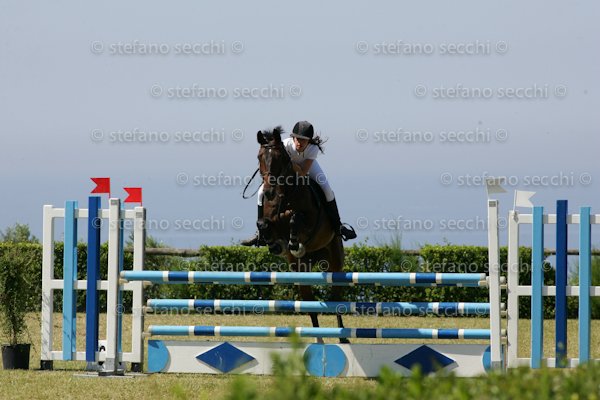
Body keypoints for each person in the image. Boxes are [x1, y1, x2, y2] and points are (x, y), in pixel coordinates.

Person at [241, 121, 357, 246]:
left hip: (306, 168)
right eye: (297, 139)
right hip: (288, 170)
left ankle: (338, 226)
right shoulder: (285, 145)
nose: (299, 143)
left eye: (303, 140)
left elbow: (302, 173)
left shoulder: (312, 149)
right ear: (293, 138)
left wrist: (291, 163)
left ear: (309, 141)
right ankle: (260, 232)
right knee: (260, 192)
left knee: (327, 190)